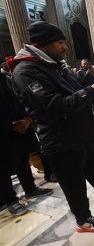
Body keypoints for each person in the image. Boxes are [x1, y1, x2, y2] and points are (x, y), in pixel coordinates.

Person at [7, 21, 94, 232]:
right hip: (61, 140)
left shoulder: (54, 65)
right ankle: (83, 220)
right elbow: (54, 107)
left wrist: (91, 93)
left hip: (81, 134)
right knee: (74, 185)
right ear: (44, 44)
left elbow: (74, 93)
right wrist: (90, 92)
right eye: (60, 42)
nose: (65, 47)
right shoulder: (26, 71)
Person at [1, 58, 53, 217]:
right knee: (2, 168)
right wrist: (11, 126)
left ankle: (30, 189)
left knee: (22, 159)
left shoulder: (6, 78)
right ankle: (11, 201)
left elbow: (20, 98)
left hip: (19, 127)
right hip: (3, 131)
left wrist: (26, 120)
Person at [76, 59, 94, 123]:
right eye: (84, 64)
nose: (86, 65)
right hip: (86, 91)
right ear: (81, 65)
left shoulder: (90, 71)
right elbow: (81, 83)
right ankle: (91, 120)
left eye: (87, 63)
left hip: (93, 91)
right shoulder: (79, 72)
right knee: (89, 107)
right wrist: (86, 75)